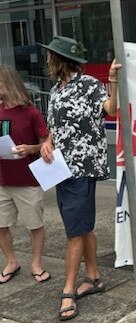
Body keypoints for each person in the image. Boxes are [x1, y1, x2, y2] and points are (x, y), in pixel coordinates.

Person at [38, 35, 121, 321]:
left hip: (82, 167)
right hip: (60, 167)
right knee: (82, 226)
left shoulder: (88, 85)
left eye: (50, 55)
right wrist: (47, 142)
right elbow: (54, 128)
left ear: (59, 59)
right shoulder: (57, 90)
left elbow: (110, 109)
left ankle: (69, 290)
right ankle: (95, 277)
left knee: (74, 230)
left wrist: (113, 80)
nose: (47, 59)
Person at [0, 65, 50, 285]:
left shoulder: (31, 113)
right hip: (2, 179)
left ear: (8, 83)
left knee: (34, 225)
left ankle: (36, 264)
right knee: (1, 225)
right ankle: (11, 262)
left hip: (28, 180)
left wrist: (30, 149)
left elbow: (46, 142)